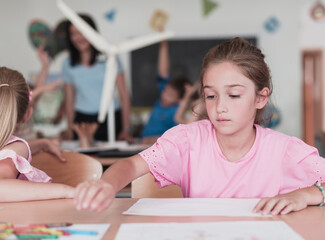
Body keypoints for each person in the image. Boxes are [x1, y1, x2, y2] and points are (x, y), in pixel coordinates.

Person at [73, 37, 325, 215]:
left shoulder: (284, 150)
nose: (219, 106)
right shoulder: (187, 140)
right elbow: (132, 166)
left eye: (234, 95)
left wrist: (304, 194)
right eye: (210, 95)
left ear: (261, 98)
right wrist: (108, 185)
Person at [0, 67, 74, 202]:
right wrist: (66, 190)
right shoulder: (16, 148)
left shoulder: (12, 149)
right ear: (27, 115)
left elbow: (7, 153)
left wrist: (42, 143)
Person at [62, 14, 132, 142]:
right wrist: (69, 129)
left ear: (92, 32)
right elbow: (69, 100)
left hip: (110, 117)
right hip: (82, 121)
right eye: (73, 33)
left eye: (82, 32)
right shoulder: (68, 64)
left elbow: (124, 95)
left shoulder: (110, 57)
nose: (78, 37)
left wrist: (126, 129)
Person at [140, 40, 188, 144]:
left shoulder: (176, 113)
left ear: (179, 100)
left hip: (155, 147)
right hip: (140, 144)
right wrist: (163, 45)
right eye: (165, 91)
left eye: (170, 95)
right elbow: (163, 71)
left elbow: (176, 138)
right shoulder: (162, 100)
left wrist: (150, 140)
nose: (165, 95)